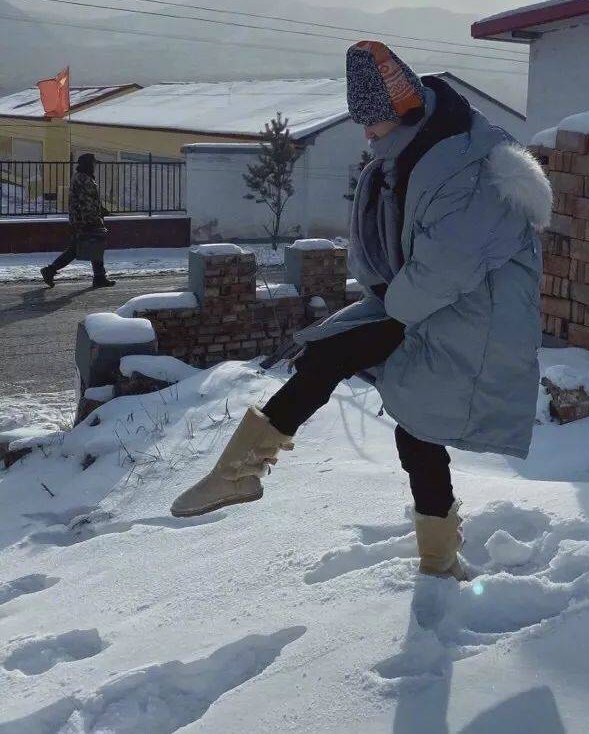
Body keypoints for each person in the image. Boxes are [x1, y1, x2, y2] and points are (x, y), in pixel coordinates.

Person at [171, 41, 553, 579]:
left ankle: (240, 472)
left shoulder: (475, 172)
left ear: (405, 113)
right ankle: (438, 562)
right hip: (431, 308)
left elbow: (445, 268)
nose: (368, 137)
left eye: (373, 125)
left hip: (472, 323)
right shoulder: (418, 152)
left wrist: (391, 305)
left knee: (348, 369)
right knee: (402, 418)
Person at [40, 153, 115, 289]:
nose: (95, 166)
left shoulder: (82, 177)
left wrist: (100, 209)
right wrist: (94, 217)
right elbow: (86, 202)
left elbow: (90, 199)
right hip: (85, 219)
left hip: (83, 218)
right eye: (93, 163)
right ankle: (50, 270)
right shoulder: (84, 179)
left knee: (93, 246)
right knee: (81, 248)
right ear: (88, 164)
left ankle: (99, 277)